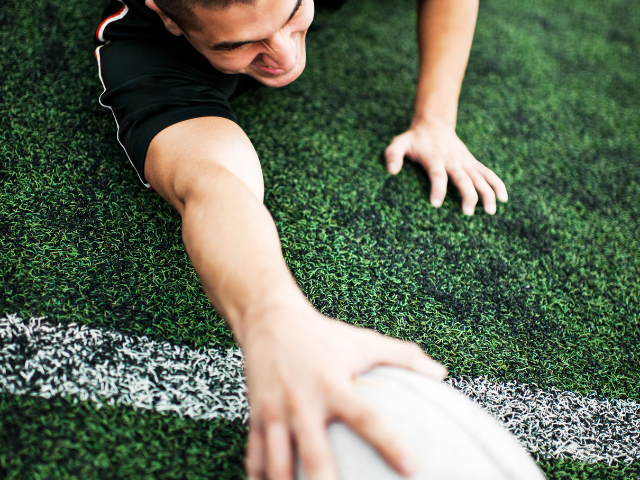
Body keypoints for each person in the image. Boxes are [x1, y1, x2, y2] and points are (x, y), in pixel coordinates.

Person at [95, 0, 508, 478]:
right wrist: (274, 318)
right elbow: (211, 184)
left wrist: (435, 119)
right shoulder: (140, 50)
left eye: (292, 15)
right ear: (167, 17)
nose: (285, 56)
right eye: (237, 44)